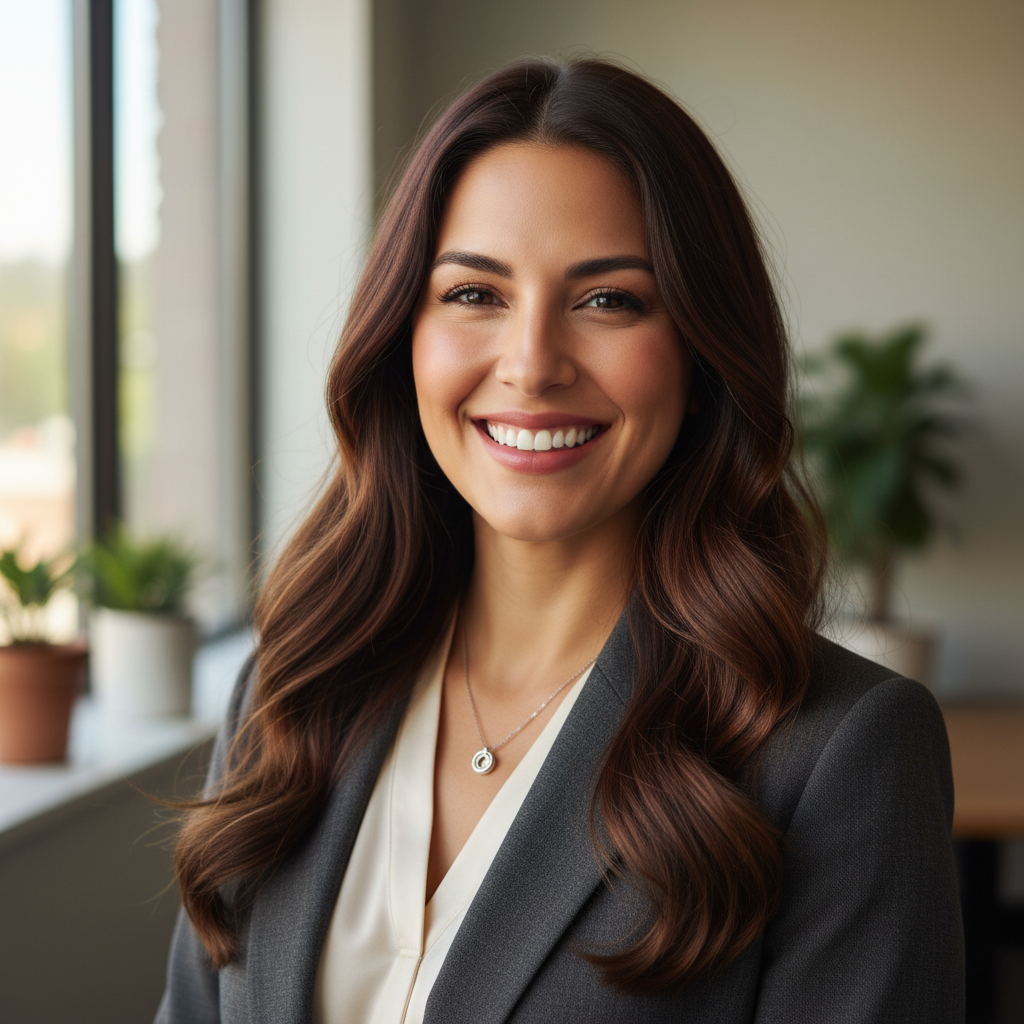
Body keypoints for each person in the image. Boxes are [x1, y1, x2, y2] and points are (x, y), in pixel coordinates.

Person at [155, 57, 963, 1023]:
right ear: (401, 332)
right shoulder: (289, 692)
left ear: (703, 351)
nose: (532, 365)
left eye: (609, 299)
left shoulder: (838, 755)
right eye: (473, 294)